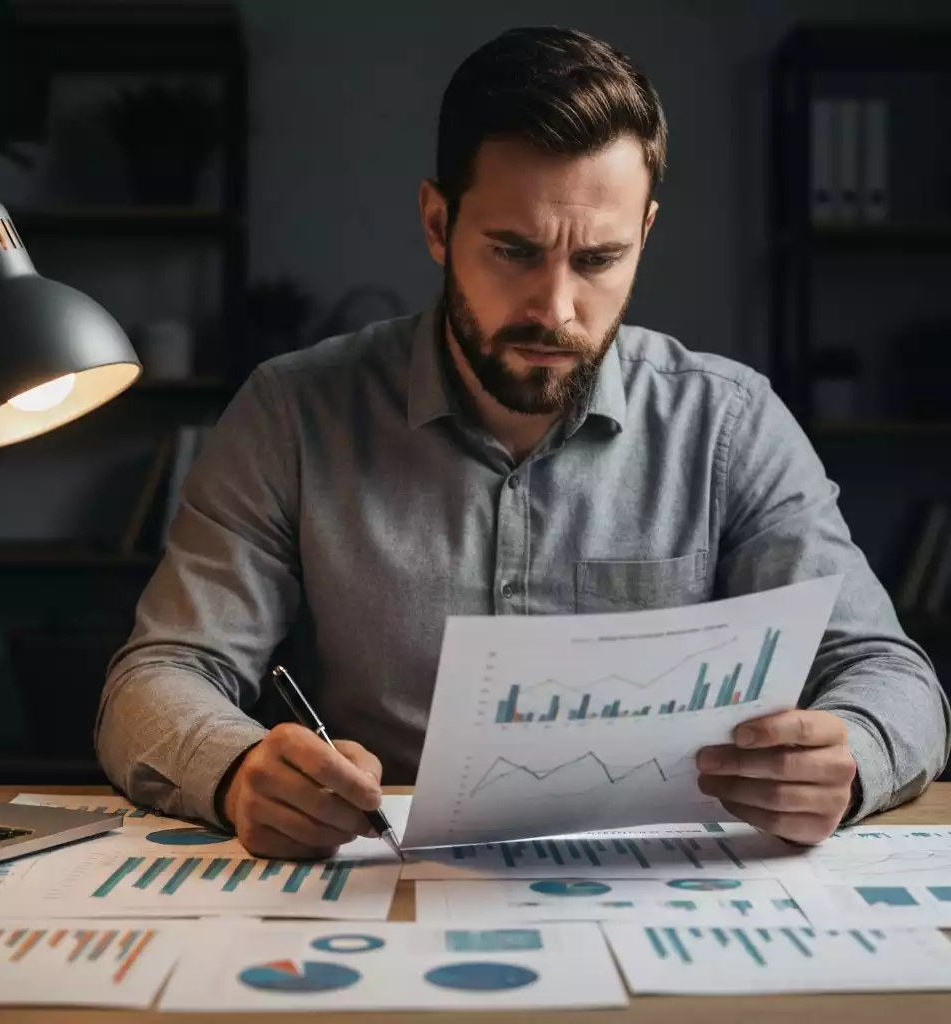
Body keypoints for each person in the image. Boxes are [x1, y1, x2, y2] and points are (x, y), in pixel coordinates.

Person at [96, 26, 949, 859]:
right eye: (514, 250)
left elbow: (893, 676)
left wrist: (852, 757)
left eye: (600, 259)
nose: (557, 309)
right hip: (380, 888)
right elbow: (156, 676)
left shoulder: (730, 423)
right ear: (438, 223)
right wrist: (238, 768)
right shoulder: (293, 413)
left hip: (653, 892)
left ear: (644, 234)